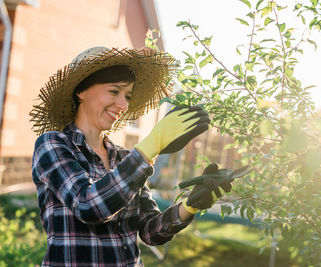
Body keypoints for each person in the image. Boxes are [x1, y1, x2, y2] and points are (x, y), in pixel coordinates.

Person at [30, 47, 232, 267]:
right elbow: (88, 206)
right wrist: (152, 144)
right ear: (82, 91)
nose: (124, 105)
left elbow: (150, 232)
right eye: (114, 91)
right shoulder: (53, 145)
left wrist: (189, 206)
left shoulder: (124, 158)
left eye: (127, 96)